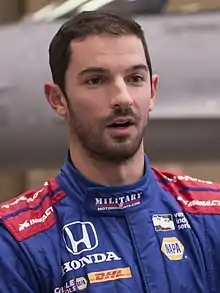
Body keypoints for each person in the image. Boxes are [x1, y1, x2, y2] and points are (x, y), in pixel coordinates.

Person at [0, 10, 220, 293]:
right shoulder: (18, 241)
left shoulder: (211, 215)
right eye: (96, 80)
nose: (122, 98)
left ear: (152, 92)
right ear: (57, 99)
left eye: (135, 79)